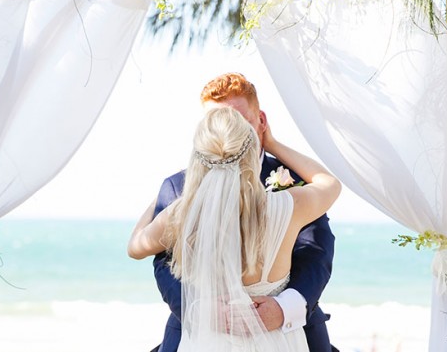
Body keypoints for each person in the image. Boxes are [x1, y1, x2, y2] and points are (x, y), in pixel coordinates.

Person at [130, 73, 339, 351]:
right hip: (213, 328)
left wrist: (284, 308)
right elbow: (163, 264)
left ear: (260, 122)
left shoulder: (180, 212)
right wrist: (198, 307)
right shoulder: (290, 204)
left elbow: (317, 252)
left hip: (282, 324)